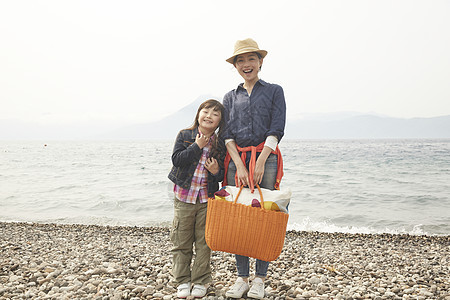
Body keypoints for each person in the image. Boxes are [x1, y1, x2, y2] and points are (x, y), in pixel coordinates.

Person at [222, 38, 286, 299]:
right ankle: (241, 278)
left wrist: (260, 162)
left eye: (251, 59)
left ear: (261, 61)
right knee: (239, 218)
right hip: (237, 161)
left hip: (266, 159)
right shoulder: (229, 96)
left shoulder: (274, 91)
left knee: (264, 216)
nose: (246, 64)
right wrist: (239, 165)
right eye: (240, 60)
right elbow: (227, 135)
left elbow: (277, 128)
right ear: (236, 65)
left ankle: (260, 278)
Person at [168, 99, 226, 298]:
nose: (209, 115)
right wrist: (197, 146)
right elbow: (177, 160)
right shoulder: (185, 135)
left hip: (206, 200)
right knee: (181, 241)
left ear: (220, 121)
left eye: (215, 114)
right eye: (206, 111)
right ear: (198, 114)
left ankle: (200, 281)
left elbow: (221, 176)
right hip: (184, 196)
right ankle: (182, 280)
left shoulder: (219, 143)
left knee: (204, 242)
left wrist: (217, 171)